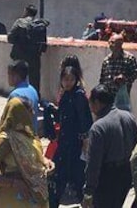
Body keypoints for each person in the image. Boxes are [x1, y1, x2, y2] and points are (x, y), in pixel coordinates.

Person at [0, 97, 52, 207]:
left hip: (32, 195)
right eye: (30, 111)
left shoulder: (28, 135)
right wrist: (14, 183)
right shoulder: (6, 139)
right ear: (19, 113)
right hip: (14, 197)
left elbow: (32, 157)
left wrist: (46, 162)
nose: (33, 113)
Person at [82, 84, 137, 208]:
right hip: (126, 173)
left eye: (90, 103)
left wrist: (89, 190)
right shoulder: (128, 116)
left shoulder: (98, 127)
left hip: (107, 178)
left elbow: (94, 163)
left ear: (97, 102)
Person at [50, 65, 93, 207]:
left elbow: (84, 120)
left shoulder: (78, 95)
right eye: (65, 79)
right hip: (65, 140)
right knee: (59, 172)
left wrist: (84, 143)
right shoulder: (65, 95)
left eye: (71, 79)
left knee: (76, 175)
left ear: (76, 80)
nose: (68, 82)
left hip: (75, 143)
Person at [8, 4, 48, 93]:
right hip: (35, 57)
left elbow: (10, 38)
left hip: (20, 56)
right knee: (35, 80)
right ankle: (35, 98)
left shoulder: (20, 22)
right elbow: (44, 45)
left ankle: (19, 96)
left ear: (26, 11)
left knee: (19, 78)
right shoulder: (40, 24)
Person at [99, 33, 137, 111]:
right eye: (109, 42)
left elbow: (135, 73)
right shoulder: (106, 60)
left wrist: (124, 79)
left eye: (113, 42)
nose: (110, 44)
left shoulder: (129, 58)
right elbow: (102, 79)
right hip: (108, 99)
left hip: (122, 98)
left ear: (120, 44)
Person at [7, 60, 40, 135]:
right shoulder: (33, 90)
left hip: (21, 140)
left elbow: (9, 122)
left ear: (16, 76)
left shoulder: (14, 95)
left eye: (9, 74)